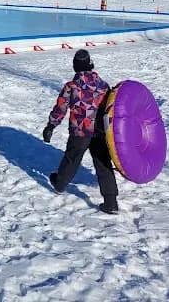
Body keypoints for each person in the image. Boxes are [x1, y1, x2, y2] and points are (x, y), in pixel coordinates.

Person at [42, 49, 119, 214]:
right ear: (91, 65)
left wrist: (51, 126)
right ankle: (111, 201)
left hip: (80, 131)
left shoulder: (72, 86)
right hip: (99, 132)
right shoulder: (103, 85)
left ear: (75, 66)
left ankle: (60, 184)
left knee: (72, 158)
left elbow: (60, 108)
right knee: (103, 164)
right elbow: (111, 109)